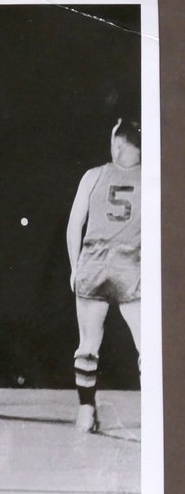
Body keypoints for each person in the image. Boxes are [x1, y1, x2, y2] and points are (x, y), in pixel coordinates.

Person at [66, 118, 141, 433]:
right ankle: (154, 414)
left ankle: (86, 412)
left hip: (94, 262)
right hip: (131, 263)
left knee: (88, 344)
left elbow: (74, 226)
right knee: (148, 349)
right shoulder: (152, 178)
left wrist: (74, 268)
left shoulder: (93, 176)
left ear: (119, 143)